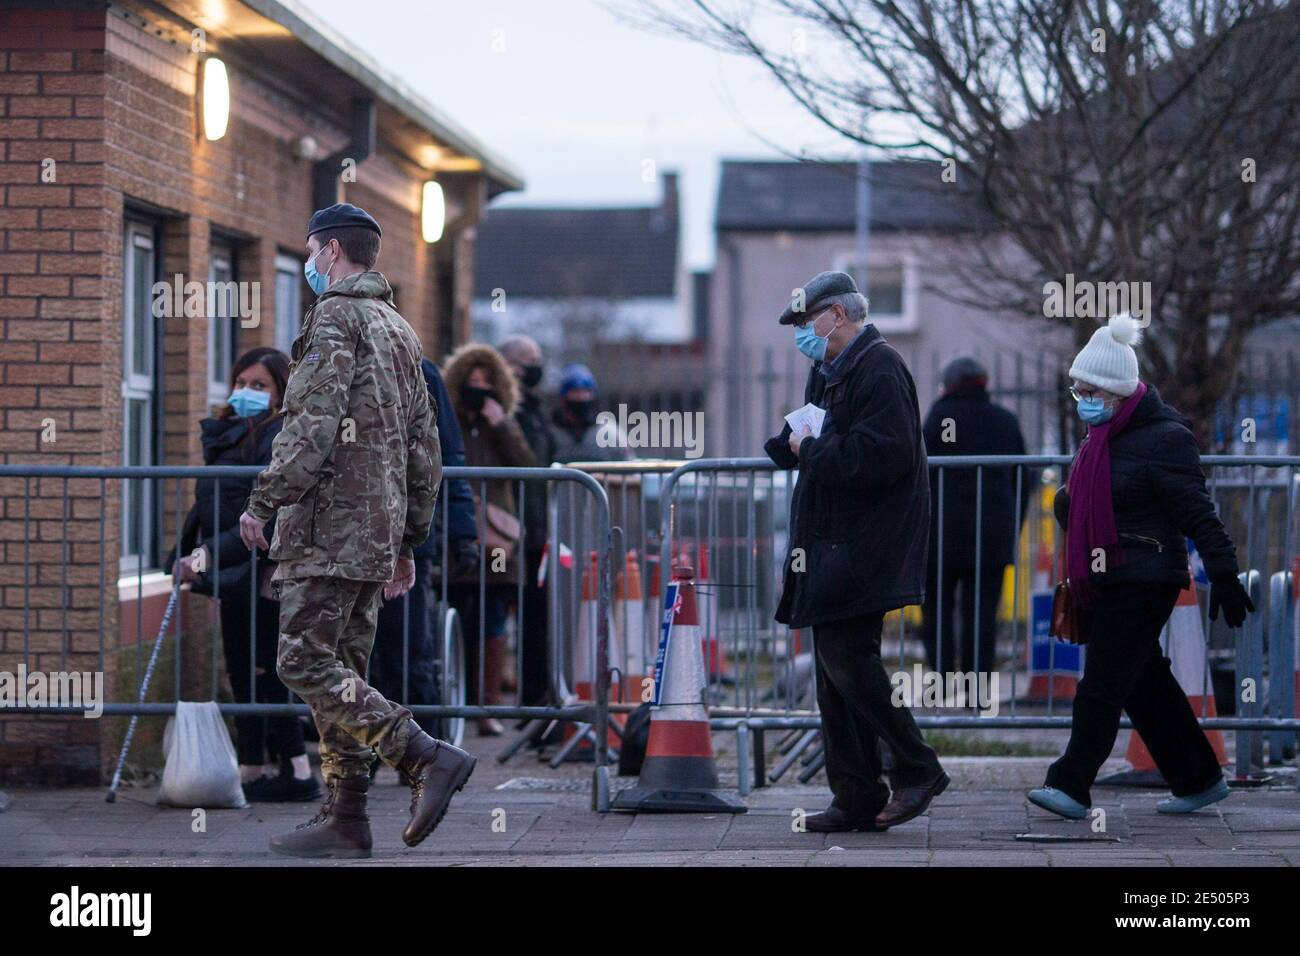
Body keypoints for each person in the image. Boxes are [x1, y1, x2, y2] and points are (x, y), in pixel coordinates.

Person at [240, 202, 473, 858]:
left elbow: (310, 426)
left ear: (332, 253)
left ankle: (424, 754)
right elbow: (423, 444)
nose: (309, 264)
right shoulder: (399, 329)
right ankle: (348, 816)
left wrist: (263, 502)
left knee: (301, 658)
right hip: (376, 531)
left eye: (311, 253)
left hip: (328, 527)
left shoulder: (335, 316)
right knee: (343, 668)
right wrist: (408, 539)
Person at [1028, 313, 1253, 820]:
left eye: (1090, 390)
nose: (1081, 399)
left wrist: (1225, 574)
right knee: (1143, 681)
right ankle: (1199, 777)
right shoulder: (1100, 440)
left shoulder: (1165, 439)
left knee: (1102, 682)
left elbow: (1198, 512)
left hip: (1145, 577)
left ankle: (1071, 784)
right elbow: (1088, 504)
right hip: (1112, 576)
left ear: (1115, 392)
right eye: (1076, 389)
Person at [764, 271, 948, 832]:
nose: (802, 333)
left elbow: (883, 455)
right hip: (834, 541)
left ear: (835, 315)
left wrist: (813, 449)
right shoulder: (830, 371)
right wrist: (792, 446)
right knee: (832, 670)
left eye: (805, 322)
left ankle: (917, 768)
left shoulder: (880, 367)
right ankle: (856, 793)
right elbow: (827, 439)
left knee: (848, 659)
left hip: (866, 542)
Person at [173, 347, 319, 802]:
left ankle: (297, 770)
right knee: (241, 667)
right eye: (241, 383)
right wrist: (185, 552)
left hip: (265, 566)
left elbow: (269, 514)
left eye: (259, 386)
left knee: (267, 669)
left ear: (279, 392)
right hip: (231, 567)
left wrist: (205, 556)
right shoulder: (230, 434)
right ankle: (252, 765)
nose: (246, 393)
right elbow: (210, 505)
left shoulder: (281, 435)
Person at [369, 357, 478, 760]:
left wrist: (462, 531)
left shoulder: (418, 369)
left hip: (407, 537)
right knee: (355, 657)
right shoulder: (328, 357)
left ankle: (424, 754)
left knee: (407, 651)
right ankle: (365, 756)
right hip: (349, 538)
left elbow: (450, 455)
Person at [441, 342, 538, 736]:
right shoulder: (448, 421)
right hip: (458, 530)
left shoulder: (503, 422)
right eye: (471, 381)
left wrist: (500, 423)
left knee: (493, 618)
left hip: (498, 534)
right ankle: (455, 702)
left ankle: (487, 705)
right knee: (456, 614)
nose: (478, 388)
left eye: (486, 382)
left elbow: (528, 466)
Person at [921, 356, 1029, 678]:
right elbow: (1022, 480)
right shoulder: (1005, 420)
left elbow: (919, 476)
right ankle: (975, 691)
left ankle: (942, 680)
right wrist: (1013, 522)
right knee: (982, 615)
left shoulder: (938, 418)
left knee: (937, 611)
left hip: (939, 535)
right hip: (991, 534)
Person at [498, 335, 558, 715]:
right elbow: (528, 462)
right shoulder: (507, 410)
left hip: (536, 529)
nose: (533, 367)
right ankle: (497, 700)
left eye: (536, 359)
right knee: (500, 613)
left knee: (537, 617)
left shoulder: (535, 408)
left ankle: (535, 697)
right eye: (525, 361)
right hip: (508, 529)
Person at [551, 363, 631, 463]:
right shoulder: (550, 434)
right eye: (575, 392)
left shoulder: (610, 433)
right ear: (563, 398)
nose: (581, 397)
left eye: (586, 392)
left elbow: (630, 472)